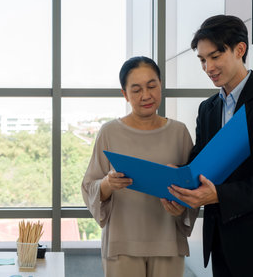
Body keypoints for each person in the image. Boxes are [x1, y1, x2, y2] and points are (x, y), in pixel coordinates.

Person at [168, 15, 253, 277]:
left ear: (240, 49)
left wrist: (219, 195)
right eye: (203, 60)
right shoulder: (208, 109)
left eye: (215, 56)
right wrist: (177, 186)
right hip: (221, 244)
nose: (208, 67)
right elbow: (200, 165)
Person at [82, 56, 198, 277]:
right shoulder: (109, 132)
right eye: (136, 90)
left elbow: (192, 185)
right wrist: (108, 183)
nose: (146, 95)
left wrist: (182, 205)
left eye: (152, 86)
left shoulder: (179, 132)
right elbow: (89, 186)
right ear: (124, 94)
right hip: (121, 244)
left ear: (161, 85)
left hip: (168, 242)